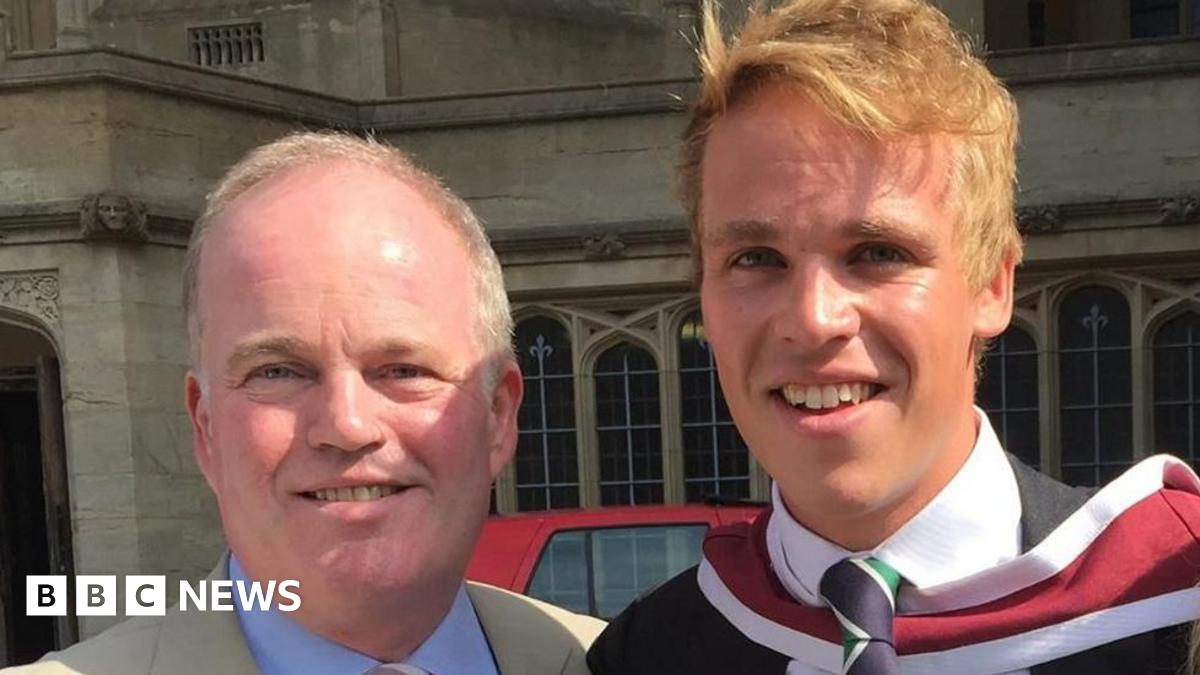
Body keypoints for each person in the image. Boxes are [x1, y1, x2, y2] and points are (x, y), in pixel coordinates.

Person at [587, 1, 1200, 673]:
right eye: (756, 258)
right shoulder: (641, 657)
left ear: (992, 285)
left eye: (877, 251)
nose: (814, 318)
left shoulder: (1173, 618)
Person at [11, 132, 603, 675]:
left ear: (498, 415)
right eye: (278, 372)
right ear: (206, 428)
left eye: (403, 370)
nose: (346, 425)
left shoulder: (615, 662)